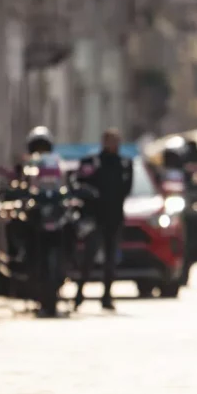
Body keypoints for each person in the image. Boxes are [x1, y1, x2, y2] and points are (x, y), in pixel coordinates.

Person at [74, 128, 133, 309]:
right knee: (89, 256)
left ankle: (107, 297)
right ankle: (79, 294)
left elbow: (126, 188)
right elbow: (81, 183)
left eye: (117, 141)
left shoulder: (124, 163)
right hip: (95, 217)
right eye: (111, 141)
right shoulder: (93, 162)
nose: (114, 145)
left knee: (110, 259)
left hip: (114, 217)